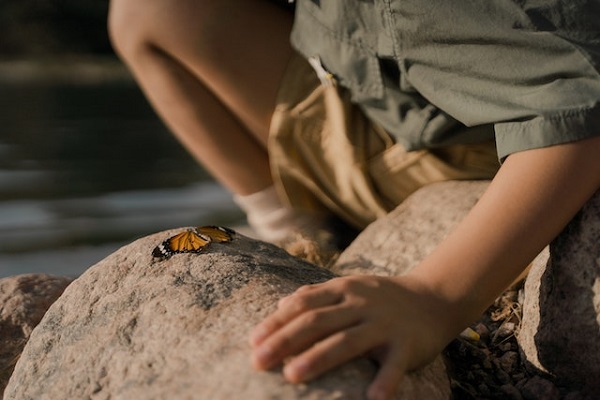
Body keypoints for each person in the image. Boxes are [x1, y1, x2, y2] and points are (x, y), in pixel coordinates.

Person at [108, 0, 600, 399]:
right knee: (150, 11)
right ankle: (297, 227)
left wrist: (435, 298)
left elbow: (584, 109)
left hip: (467, 155)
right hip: (374, 106)